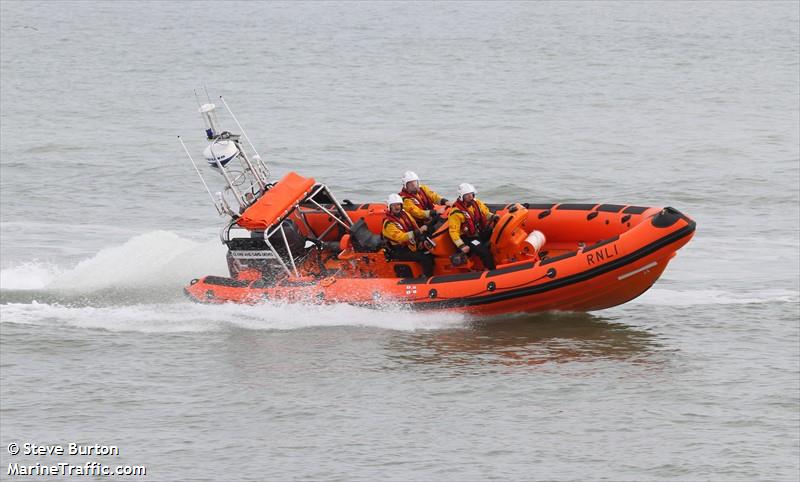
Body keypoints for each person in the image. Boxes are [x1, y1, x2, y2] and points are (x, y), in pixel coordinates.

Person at [448, 183, 500, 270]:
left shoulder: (477, 203)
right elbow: (453, 232)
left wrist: (492, 216)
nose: (470, 197)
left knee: (496, 232)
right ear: (462, 196)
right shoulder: (456, 213)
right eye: (467, 195)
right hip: (467, 238)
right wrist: (462, 246)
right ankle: (490, 270)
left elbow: (485, 213)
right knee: (484, 252)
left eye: (471, 194)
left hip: (477, 232)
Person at [382, 193, 435, 277]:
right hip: (400, 250)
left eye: (398, 205)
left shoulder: (404, 214)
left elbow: (414, 225)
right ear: (390, 207)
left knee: (430, 252)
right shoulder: (389, 224)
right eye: (394, 205)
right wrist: (417, 232)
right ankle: (426, 278)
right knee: (424, 257)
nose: (397, 207)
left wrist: (421, 239)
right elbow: (401, 237)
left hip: (411, 245)